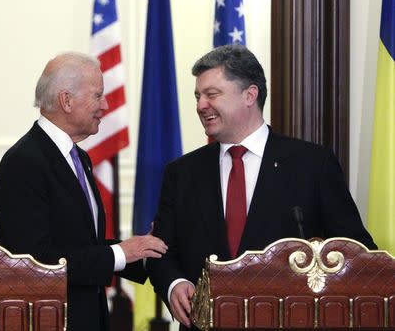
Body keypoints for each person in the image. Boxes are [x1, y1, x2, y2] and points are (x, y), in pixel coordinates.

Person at [147, 45, 377, 330]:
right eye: (198, 96)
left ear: (250, 95)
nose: (200, 105)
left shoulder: (312, 164)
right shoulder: (181, 173)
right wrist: (174, 284)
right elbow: (160, 251)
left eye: (211, 94)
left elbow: (355, 250)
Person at [0, 52, 168, 331]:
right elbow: (33, 261)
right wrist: (120, 254)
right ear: (66, 100)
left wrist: (140, 252)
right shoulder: (23, 163)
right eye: (98, 95)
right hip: (52, 321)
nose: (106, 105)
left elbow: (82, 245)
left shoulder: (79, 158)